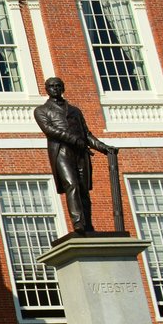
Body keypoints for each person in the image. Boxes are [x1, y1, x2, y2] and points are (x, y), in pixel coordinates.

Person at [33, 76, 115, 236]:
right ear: (47, 90)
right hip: (61, 151)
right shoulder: (41, 110)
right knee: (72, 184)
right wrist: (73, 139)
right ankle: (78, 223)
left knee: (83, 189)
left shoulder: (75, 110)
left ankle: (88, 225)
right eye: (52, 86)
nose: (55, 88)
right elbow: (49, 130)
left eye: (58, 85)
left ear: (63, 88)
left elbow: (87, 134)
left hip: (80, 152)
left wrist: (104, 148)